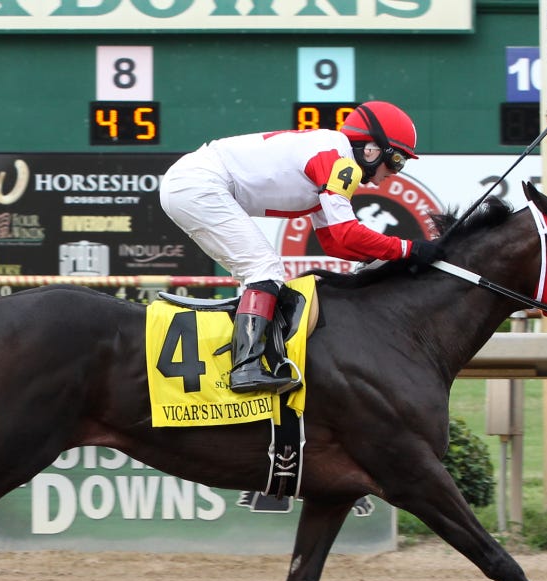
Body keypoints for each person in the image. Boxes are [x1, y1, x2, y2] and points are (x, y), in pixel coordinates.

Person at [160, 101, 444, 394]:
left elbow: (333, 242)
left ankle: (245, 360)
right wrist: (408, 249)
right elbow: (346, 233)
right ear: (371, 149)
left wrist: (393, 258)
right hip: (198, 184)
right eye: (396, 159)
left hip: (192, 183)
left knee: (260, 273)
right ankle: (245, 367)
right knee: (264, 269)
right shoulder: (339, 162)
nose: (396, 171)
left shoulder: (332, 158)